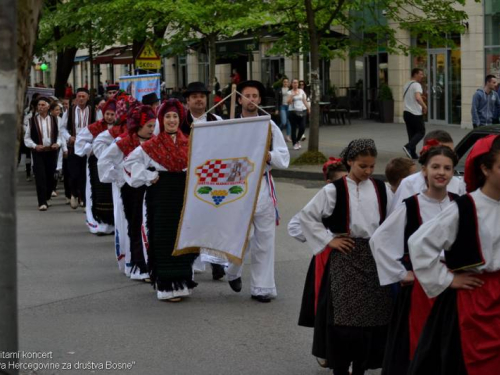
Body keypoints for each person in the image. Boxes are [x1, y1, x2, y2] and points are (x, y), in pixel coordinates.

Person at [298, 139, 393, 375]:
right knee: (343, 321)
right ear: (349, 161)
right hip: (345, 258)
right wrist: (330, 240)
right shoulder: (333, 190)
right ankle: (340, 368)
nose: (368, 171)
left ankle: (361, 368)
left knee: (373, 318)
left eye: (372, 166)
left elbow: (393, 222)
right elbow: (307, 217)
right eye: (363, 166)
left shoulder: (382, 189)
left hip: (373, 259)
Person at [407, 134, 500, 375]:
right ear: (485, 169)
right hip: (474, 300)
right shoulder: (466, 207)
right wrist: (449, 279)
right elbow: (419, 243)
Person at [370, 145, 459, 375]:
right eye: (436, 167)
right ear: (424, 171)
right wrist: (401, 273)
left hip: (453, 287)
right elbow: (379, 240)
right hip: (421, 290)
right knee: (417, 344)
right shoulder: (411, 205)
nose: (442, 172)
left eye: (447, 168)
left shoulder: (461, 204)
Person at [124, 99, 198, 302]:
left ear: (180, 118)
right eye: (167, 116)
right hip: (161, 196)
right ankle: (166, 286)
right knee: (163, 238)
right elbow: (129, 163)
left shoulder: (191, 142)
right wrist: (148, 177)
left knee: (183, 237)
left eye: (175, 116)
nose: (172, 120)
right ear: (161, 120)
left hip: (183, 196)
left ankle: (182, 282)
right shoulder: (151, 145)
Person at [225, 80, 290, 303]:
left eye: (255, 96)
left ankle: (262, 287)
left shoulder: (270, 126)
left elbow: (284, 157)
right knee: (241, 236)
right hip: (237, 187)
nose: (251, 100)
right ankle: (232, 271)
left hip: (263, 185)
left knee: (264, 238)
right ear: (239, 99)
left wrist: (269, 156)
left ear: (260, 100)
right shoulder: (230, 126)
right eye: (247, 96)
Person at [290, 157, 348, 369]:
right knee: (324, 306)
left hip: (349, 256)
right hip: (325, 258)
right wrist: (322, 239)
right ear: (329, 184)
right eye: (338, 182)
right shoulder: (322, 200)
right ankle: (323, 350)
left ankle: (345, 354)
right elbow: (296, 225)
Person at [98, 104, 155, 280]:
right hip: (132, 193)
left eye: (154, 126)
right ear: (138, 125)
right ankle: (139, 266)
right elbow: (104, 161)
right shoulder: (124, 143)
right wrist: (121, 177)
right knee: (135, 227)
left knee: (151, 227)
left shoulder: (156, 142)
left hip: (152, 191)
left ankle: (152, 264)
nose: (152, 130)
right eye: (149, 126)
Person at [95, 92, 139, 275]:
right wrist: (117, 174)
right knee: (124, 220)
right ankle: (128, 259)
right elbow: (99, 149)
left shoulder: (148, 131)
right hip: (123, 184)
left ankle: (141, 260)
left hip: (142, 183)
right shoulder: (117, 134)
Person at [390, 130, 466, 213]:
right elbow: (396, 215)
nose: (447, 156)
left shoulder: (458, 185)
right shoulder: (409, 184)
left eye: (451, 152)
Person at [74, 98, 116, 235]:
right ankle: (99, 224)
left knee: (112, 194)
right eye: (107, 114)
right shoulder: (95, 127)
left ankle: (114, 223)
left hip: (113, 166)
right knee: (96, 193)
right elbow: (79, 142)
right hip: (96, 165)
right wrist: (90, 149)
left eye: (112, 114)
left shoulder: (120, 128)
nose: (109, 117)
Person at [24, 97, 62, 210]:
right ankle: (42, 202)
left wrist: (58, 144)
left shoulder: (55, 120)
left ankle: (47, 196)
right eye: (39, 105)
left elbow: (60, 135)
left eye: (43, 105)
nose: (40, 107)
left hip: (51, 152)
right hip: (38, 152)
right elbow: (27, 138)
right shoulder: (32, 121)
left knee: (50, 176)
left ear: (48, 107)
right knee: (40, 176)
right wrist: (35, 146)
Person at [61, 88, 96, 209]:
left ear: (88, 98)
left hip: (87, 147)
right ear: (76, 98)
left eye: (83, 96)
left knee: (85, 173)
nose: (81, 99)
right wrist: (69, 137)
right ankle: (74, 193)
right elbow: (62, 128)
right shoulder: (70, 111)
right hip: (74, 146)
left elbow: (98, 128)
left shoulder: (93, 111)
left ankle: (84, 198)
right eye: (79, 96)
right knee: (73, 173)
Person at [402, 68, 428, 159]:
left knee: (411, 133)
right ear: (415, 74)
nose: (422, 76)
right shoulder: (417, 85)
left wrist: (421, 98)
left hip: (406, 112)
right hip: (415, 113)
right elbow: (417, 97)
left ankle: (412, 153)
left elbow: (413, 97)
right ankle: (408, 147)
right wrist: (424, 106)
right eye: (420, 74)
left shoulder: (406, 84)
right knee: (421, 132)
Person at [287, 78, 310, 150]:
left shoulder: (301, 91)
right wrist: (292, 95)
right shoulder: (289, 92)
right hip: (292, 111)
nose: (295, 84)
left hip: (302, 111)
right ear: (291, 84)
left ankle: (297, 140)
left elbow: (304, 100)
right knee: (293, 128)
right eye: (294, 83)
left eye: (296, 83)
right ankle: (294, 144)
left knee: (302, 127)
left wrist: (308, 108)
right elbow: (288, 102)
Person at [275, 77, 292, 143]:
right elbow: (276, 100)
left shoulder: (290, 90)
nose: (285, 83)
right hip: (282, 106)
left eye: (287, 82)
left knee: (289, 122)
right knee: (284, 122)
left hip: (289, 107)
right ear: (282, 83)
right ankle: (277, 132)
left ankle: (288, 136)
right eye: (284, 82)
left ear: (288, 83)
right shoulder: (279, 90)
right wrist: (276, 109)